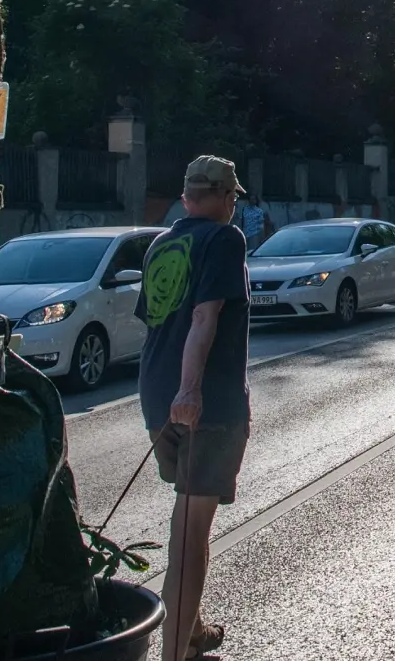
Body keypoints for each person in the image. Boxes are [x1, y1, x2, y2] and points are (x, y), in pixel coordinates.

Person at [138, 156, 252, 661]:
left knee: (183, 511)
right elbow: (204, 317)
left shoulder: (162, 243)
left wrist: (173, 393)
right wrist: (191, 390)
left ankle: (192, 629)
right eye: (233, 198)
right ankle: (173, 653)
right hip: (207, 404)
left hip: (155, 397)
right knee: (190, 531)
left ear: (186, 196)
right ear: (227, 197)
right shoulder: (225, 239)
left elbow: (158, 320)